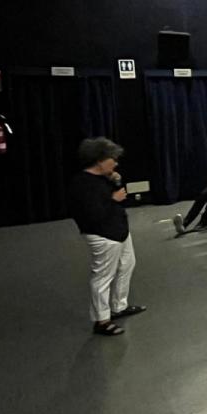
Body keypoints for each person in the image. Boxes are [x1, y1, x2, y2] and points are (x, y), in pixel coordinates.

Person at [67, 137, 144, 337]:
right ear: (99, 160)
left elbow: (117, 200)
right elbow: (92, 215)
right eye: (112, 159)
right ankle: (102, 320)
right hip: (103, 235)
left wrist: (115, 182)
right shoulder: (82, 184)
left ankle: (119, 305)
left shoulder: (104, 179)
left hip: (119, 230)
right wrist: (112, 199)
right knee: (102, 277)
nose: (115, 163)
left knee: (127, 264)